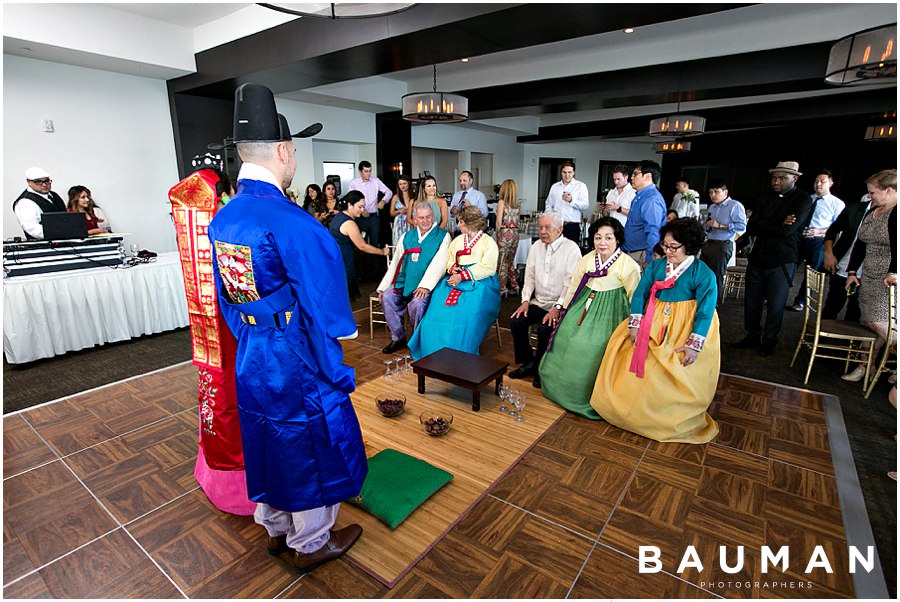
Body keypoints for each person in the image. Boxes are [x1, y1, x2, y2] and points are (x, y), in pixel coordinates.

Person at [207, 83, 364, 573]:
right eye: (295, 148)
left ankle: (275, 527)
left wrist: (254, 332)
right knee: (311, 438)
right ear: (282, 151)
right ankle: (311, 540)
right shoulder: (293, 222)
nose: (295, 156)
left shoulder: (225, 218)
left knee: (266, 436)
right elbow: (326, 308)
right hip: (294, 350)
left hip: (254, 349)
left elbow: (227, 296)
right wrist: (333, 351)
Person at [168, 156, 255, 517]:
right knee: (239, 401)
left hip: (207, 338)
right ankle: (244, 482)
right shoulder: (229, 230)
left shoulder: (190, 227)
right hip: (234, 336)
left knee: (214, 397)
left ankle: (214, 470)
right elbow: (245, 294)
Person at [590, 218, 720, 443]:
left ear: (689, 246)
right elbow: (640, 292)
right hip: (654, 315)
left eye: (673, 247)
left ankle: (660, 419)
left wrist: (694, 344)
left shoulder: (703, 274)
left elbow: (705, 312)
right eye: (665, 245)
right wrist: (635, 323)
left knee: (670, 371)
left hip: (684, 324)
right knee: (626, 357)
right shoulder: (658, 266)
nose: (667, 251)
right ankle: (625, 411)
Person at [539, 217, 641, 417]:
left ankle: (584, 397)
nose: (602, 242)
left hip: (610, 313)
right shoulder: (587, 260)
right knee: (565, 337)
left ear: (617, 239)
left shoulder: (628, 266)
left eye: (608, 238)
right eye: (598, 237)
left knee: (589, 347)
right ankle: (559, 390)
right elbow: (573, 287)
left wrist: (634, 324)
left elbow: (635, 297)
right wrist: (561, 308)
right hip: (583, 305)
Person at [735, 161, 813, 356]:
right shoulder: (764, 198)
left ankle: (770, 340)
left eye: (781, 178)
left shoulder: (802, 200)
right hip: (758, 256)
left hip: (783, 259)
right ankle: (752, 335)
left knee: (776, 304)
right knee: (752, 302)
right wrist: (778, 221)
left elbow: (788, 231)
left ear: (793, 179)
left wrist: (767, 223)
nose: (776, 181)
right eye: (774, 178)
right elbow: (752, 227)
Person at [408, 205, 500, 360]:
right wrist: (453, 268)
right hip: (455, 278)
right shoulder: (457, 241)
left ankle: (459, 355)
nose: (458, 225)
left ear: (470, 223)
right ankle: (432, 351)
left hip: (480, 282)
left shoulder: (488, 242)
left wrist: (464, 275)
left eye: (460, 222)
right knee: (437, 306)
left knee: (464, 313)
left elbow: (489, 268)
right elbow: (449, 261)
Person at [507, 212, 582, 388]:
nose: (542, 231)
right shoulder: (536, 247)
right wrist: (525, 300)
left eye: (547, 228)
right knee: (516, 321)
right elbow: (530, 277)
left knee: (544, 329)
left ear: (560, 229)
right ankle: (528, 362)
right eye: (540, 227)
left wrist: (558, 307)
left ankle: (542, 367)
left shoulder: (571, 249)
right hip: (539, 302)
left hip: (562, 305)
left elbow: (570, 284)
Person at [841, 169, 897, 382]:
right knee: (868, 323)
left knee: (879, 322)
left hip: (888, 278)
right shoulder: (873, 211)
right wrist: (852, 272)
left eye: (873, 192)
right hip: (870, 273)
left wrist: (894, 273)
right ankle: (866, 366)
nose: (869, 196)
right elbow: (859, 244)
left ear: (889, 190)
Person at [376, 202, 451, 354]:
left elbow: (440, 264)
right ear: (415, 219)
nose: (425, 221)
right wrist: (383, 287)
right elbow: (396, 263)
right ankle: (398, 337)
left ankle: (418, 341)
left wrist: (425, 286)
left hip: (429, 285)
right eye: (421, 218)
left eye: (428, 217)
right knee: (388, 297)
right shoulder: (407, 237)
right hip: (406, 281)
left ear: (433, 217)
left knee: (417, 303)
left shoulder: (443, 236)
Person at [787, 169, 845, 311]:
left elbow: (840, 228)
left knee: (812, 273)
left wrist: (821, 231)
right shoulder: (807, 199)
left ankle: (800, 301)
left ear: (830, 183)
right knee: (787, 267)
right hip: (799, 239)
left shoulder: (837, 204)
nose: (818, 184)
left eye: (822, 182)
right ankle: (777, 296)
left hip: (818, 241)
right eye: (816, 181)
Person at [327, 190, 391, 299]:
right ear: (350, 205)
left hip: (335, 256)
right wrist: (382, 252)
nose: (362, 210)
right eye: (360, 207)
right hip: (344, 258)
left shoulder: (339, 216)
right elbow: (362, 246)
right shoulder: (349, 223)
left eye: (363, 207)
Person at [821, 193, 871, 321]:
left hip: (869, 272)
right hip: (843, 264)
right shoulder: (855, 208)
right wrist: (828, 253)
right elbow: (832, 230)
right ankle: (821, 337)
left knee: (856, 311)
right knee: (833, 305)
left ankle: (850, 340)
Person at [701, 179, 747, 306]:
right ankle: (703, 299)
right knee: (704, 273)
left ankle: (713, 303)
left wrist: (721, 225)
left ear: (725, 192)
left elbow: (742, 226)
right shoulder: (712, 207)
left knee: (716, 275)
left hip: (723, 243)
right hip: (709, 241)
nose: (713, 195)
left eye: (716, 192)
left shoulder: (734, 205)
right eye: (710, 192)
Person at [622, 160, 667, 267]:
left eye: (635, 174)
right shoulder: (640, 196)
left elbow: (653, 231)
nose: (631, 178)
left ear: (647, 176)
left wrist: (650, 259)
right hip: (632, 252)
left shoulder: (651, 199)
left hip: (641, 255)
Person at [13, 166, 67, 240]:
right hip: (45, 246)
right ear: (29, 182)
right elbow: (32, 228)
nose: (44, 185)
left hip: (64, 242)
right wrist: (58, 234)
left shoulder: (54, 195)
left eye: (46, 181)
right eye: (38, 182)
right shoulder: (25, 202)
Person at [349, 160, 393, 248]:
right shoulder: (354, 183)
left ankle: (375, 261)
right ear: (360, 171)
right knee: (361, 243)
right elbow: (351, 199)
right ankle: (362, 261)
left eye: (370, 171)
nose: (368, 174)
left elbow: (389, 192)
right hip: (359, 217)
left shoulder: (376, 181)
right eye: (366, 171)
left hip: (373, 217)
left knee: (375, 243)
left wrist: (383, 201)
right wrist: (362, 210)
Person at [543, 161, 589, 244]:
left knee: (571, 253)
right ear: (561, 173)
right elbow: (548, 204)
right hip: (556, 225)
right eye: (564, 172)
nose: (567, 175)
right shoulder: (555, 187)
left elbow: (585, 206)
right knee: (554, 250)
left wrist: (571, 201)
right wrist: (549, 219)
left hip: (572, 225)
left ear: (573, 173)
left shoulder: (581, 186)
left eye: (569, 172)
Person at [494, 178, 521, 297]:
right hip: (515, 233)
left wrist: (497, 233)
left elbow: (499, 222)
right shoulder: (517, 204)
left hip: (505, 234)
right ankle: (515, 285)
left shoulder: (501, 202)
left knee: (501, 263)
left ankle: (502, 288)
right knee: (510, 261)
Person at [390, 174, 414, 247]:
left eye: (404, 183)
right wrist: (400, 211)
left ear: (408, 184)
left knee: (410, 242)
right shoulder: (396, 197)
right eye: (400, 184)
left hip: (411, 221)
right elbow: (391, 213)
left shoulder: (413, 195)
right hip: (399, 223)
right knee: (399, 243)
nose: (402, 186)